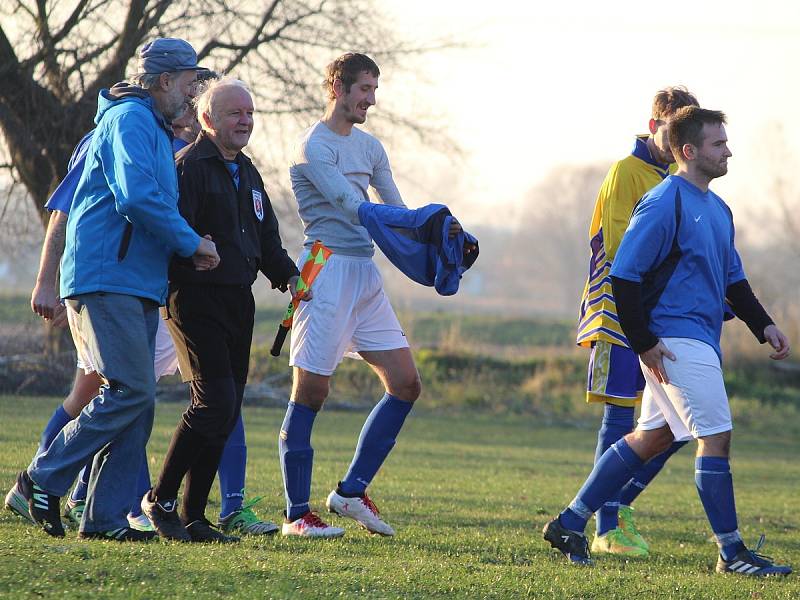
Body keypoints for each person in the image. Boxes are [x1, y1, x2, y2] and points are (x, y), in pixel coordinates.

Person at [543, 107, 792, 577]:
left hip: (698, 339)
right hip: (675, 340)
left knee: (652, 436)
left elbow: (733, 283)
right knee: (716, 437)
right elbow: (624, 275)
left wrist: (764, 326)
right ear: (689, 151)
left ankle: (570, 521)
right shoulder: (663, 202)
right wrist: (642, 341)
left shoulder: (719, 209)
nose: (729, 151)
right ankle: (732, 552)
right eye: (719, 144)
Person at [6, 37, 219, 541]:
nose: (193, 94)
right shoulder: (130, 120)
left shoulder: (152, 125)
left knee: (138, 402)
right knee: (131, 390)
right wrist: (191, 243)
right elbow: (137, 197)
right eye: (189, 82)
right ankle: (38, 479)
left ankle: (102, 521)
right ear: (165, 80)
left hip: (134, 281)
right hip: (108, 278)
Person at [280, 52, 444, 538]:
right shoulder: (313, 145)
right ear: (337, 87)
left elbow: (393, 205)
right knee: (311, 390)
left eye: (374, 90)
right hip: (325, 269)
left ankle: (351, 491)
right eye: (363, 90)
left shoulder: (371, 147)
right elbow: (351, 206)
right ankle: (296, 515)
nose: (370, 100)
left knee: (405, 383)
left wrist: (434, 232)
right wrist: (409, 223)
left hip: (365, 274)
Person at [141, 77, 300, 543]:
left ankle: (194, 515)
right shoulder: (187, 167)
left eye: (250, 113)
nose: (245, 121)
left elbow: (265, 236)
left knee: (224, 411)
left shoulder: (247, 172)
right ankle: (161, 499)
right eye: (235, 113)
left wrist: (289, 276)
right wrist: (192, 251)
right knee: (215, 402)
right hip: (194, 298)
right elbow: (169, 230)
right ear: (207, 119)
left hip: (238, 301)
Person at [574, 87, 700, 556]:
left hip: (662, 317)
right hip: (617, 315)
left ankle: (615, 504)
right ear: (654, 126)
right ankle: (606, 526)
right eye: (671, 129)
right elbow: (621, 247)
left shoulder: (679, 178)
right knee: (619, 418)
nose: (676, 140)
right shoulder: (626, 173)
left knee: (681, 422)